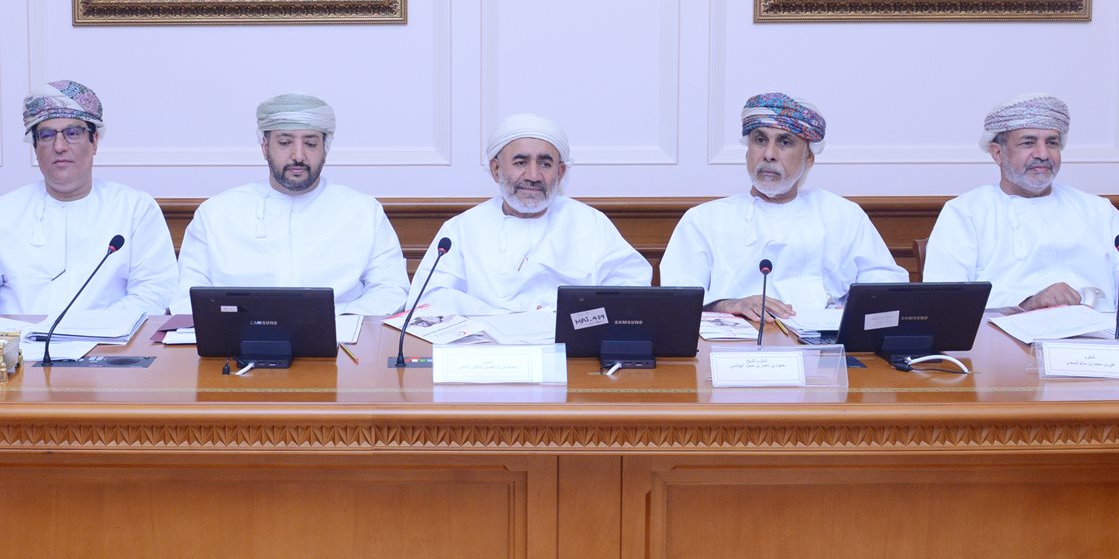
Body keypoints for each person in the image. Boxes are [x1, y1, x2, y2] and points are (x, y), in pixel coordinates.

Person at [0, 80, 176, 330]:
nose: (59, 146)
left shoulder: (134, 209)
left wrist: (87, 331)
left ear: (95, 141)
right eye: (46, 135)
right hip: (16, 355)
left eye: (73, 133)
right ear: (35, 147)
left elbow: (154, 292)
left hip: (109, 352)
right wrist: (7, 341)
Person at [924, 93, 1119, 313]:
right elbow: (944, 302)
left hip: (1102, 347)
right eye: (1028, 142)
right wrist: (1028, 302)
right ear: (997, 152)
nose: (1042, 154)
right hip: (1007, 352)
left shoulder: (1096, 210)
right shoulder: (965, 212)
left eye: (1052, 143)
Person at [659, 92, 905, 321]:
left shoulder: (843, 215)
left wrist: (850, 311)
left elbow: (886, 286)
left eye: (785, 142)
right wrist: (728, 305)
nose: (768, 154)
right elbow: (677, 298)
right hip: (733, 350)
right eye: (759, 140)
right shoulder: (704, 220)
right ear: (747, 151)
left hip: (827, 351)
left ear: (809, 157)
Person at [174, 93, 407, 316]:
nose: (298, 156)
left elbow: (390, 288)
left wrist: (336, 321)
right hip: (237, 347)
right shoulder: (217, 213)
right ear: (265, 146)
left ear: (325, 148)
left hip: (342, 345)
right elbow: (187, 295)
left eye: (311, 144)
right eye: (285, 142)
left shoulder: (363, 211)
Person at [405, 113, 648, 315]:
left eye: (545, 164)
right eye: (521, 162)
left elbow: (630, 290)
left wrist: (568, 316)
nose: (533, 175)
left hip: (568, 352)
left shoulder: (590, 224)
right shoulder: (461, 229)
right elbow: (428, 300)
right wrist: (497, 318)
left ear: (560, 172)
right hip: (483, 352)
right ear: (496, 169)